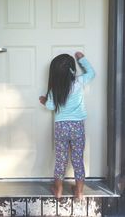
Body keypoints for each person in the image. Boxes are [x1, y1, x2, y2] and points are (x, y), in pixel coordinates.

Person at [39, 51, 95, 200]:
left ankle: (58, 190)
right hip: (77, 127)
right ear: (72, 69)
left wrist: (44, 100)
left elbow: (50, 106)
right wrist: (82, 59)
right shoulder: (79, 82)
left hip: (61, 127)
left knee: (61, 159)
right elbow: (92, 73)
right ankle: (79, 192)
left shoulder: (54, 89)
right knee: (78, 159)